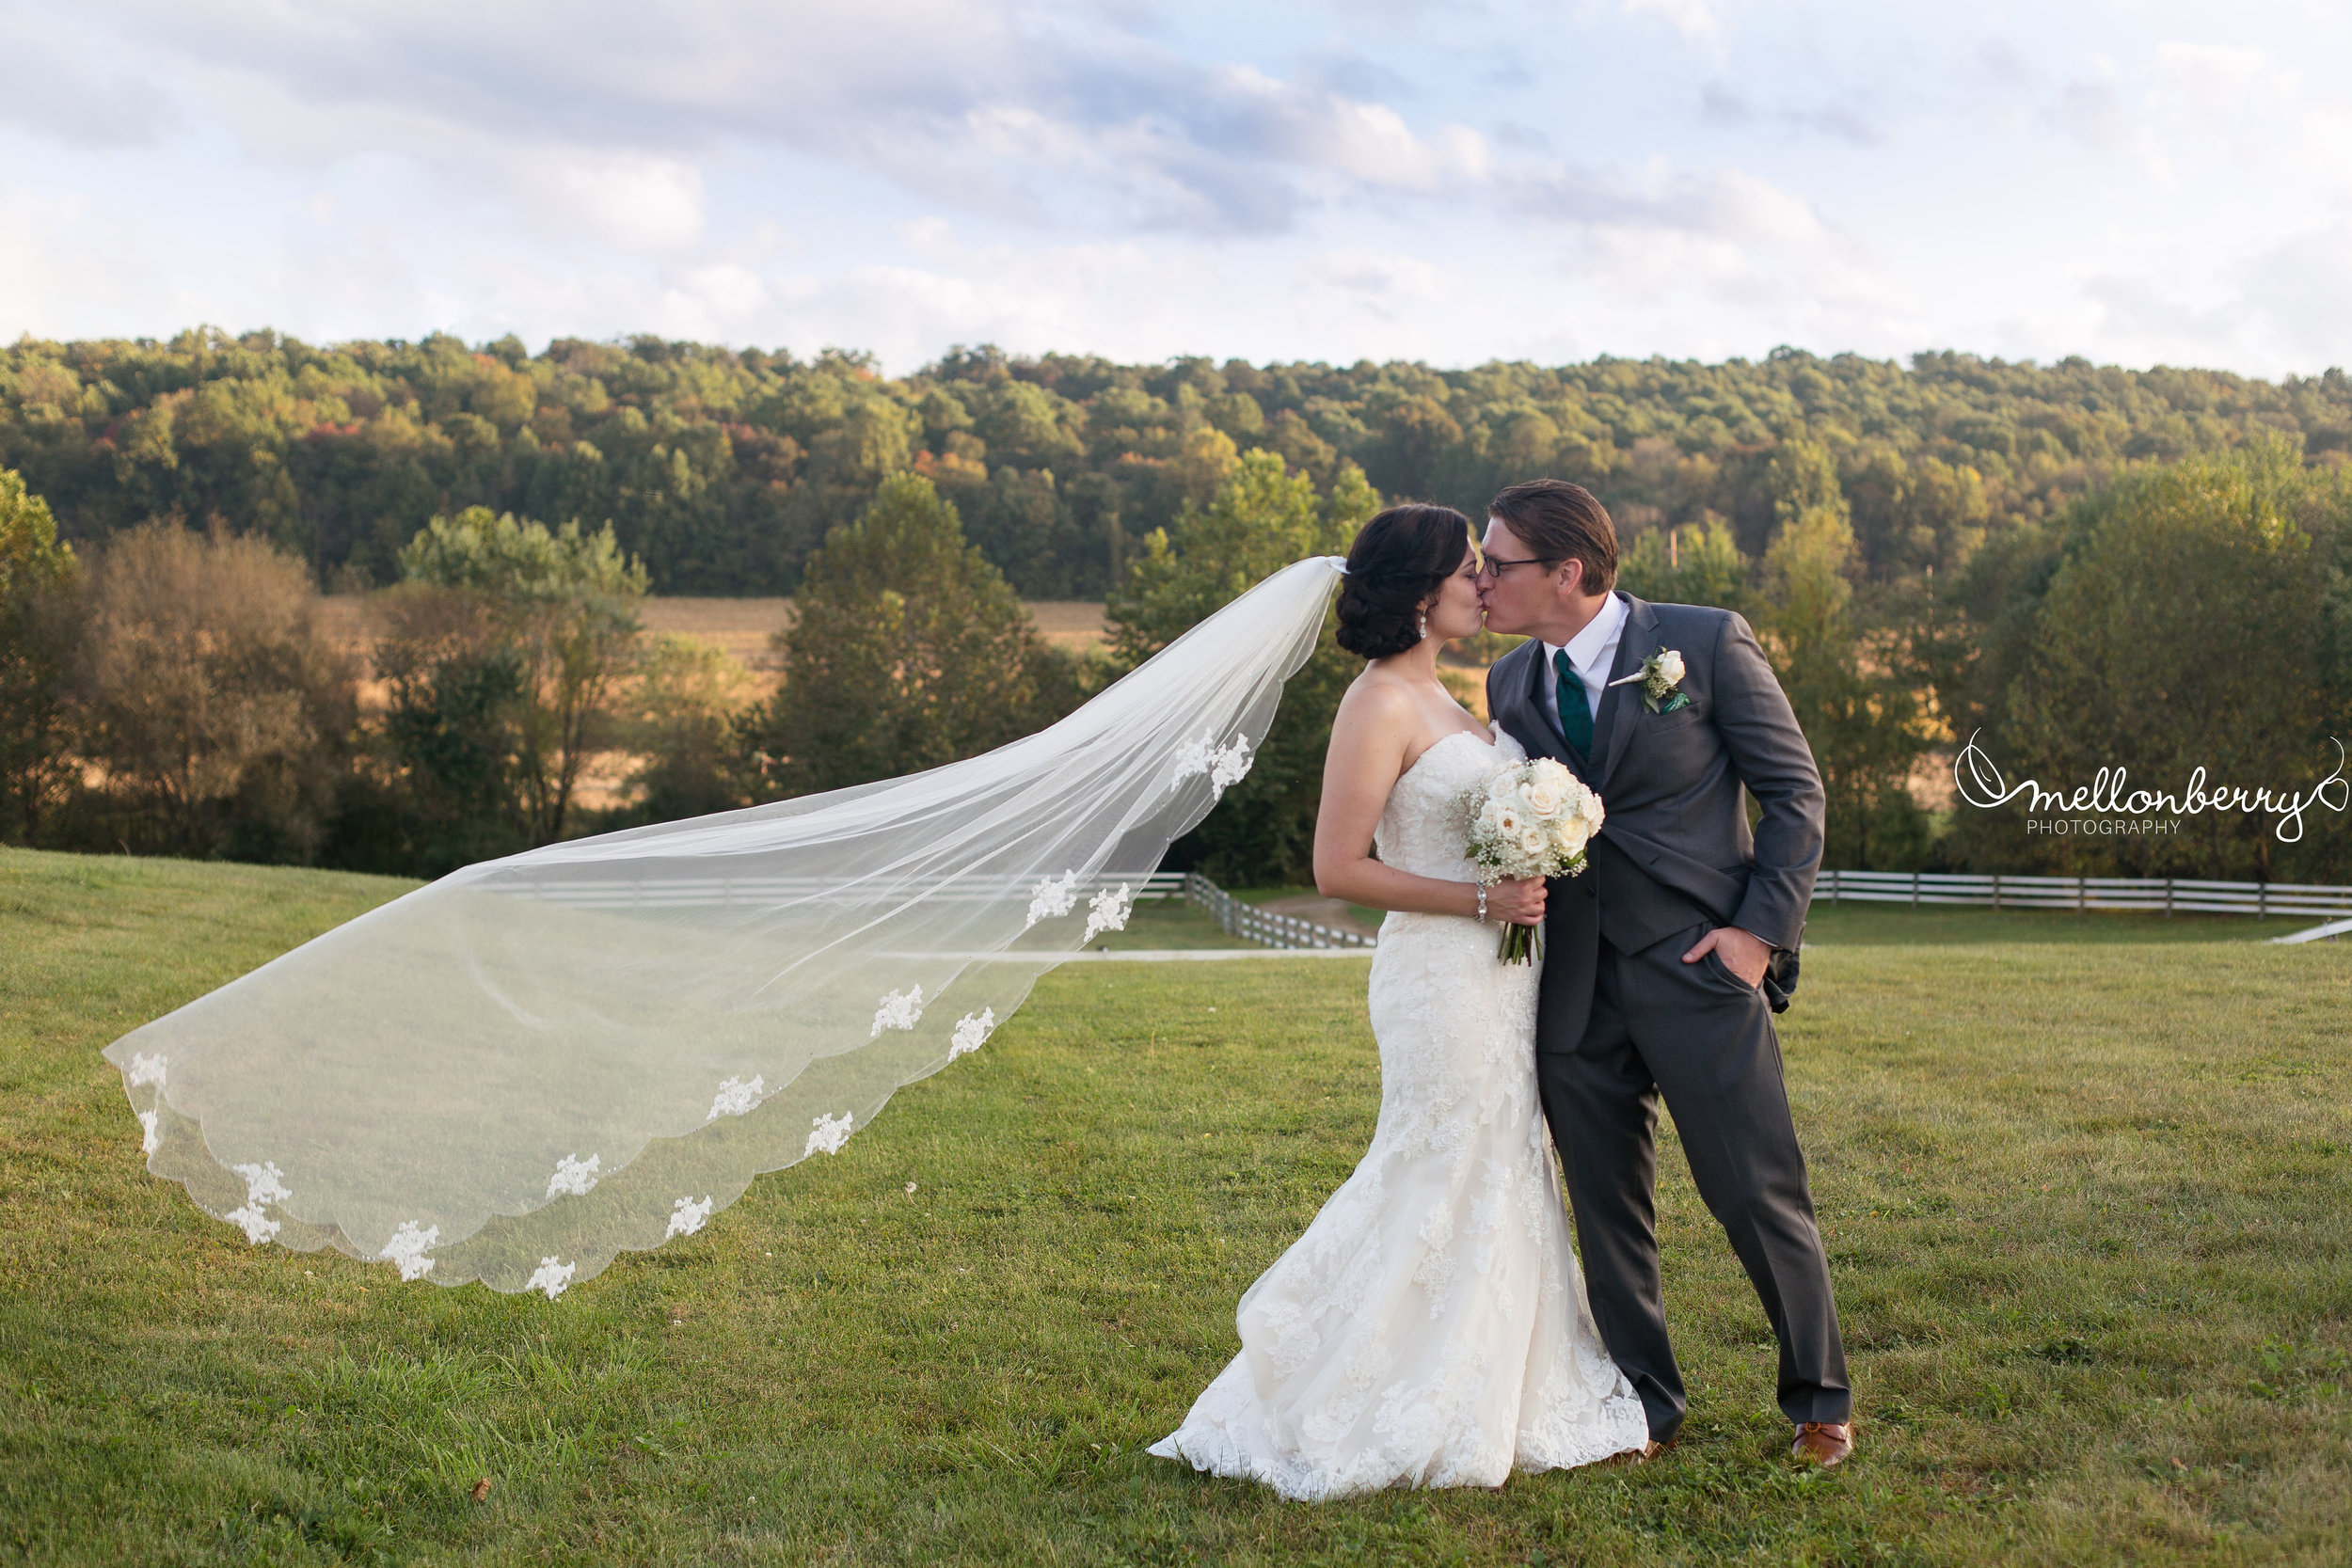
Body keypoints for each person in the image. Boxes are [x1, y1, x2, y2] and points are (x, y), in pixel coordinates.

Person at [1148, 504, 1649, 1497]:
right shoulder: (1377, 702)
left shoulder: (1459, 698)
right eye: (1469, 569)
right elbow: (1339, 865)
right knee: (1437, 1160)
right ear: (1422, 593)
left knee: (1499, 1155)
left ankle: (1498, 1371)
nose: (1483, 583)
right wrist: (1482, 896)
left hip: (1503, 974)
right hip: (1438, 974)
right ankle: (1366, 1384)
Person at [1478, 479, 1853, 1468]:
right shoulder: (1507, 680)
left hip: (1697, 966)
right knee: (1606, 1209)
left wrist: (1755, 935)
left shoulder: (1703, 641)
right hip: (1571, 982)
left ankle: (1819, 1397)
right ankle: (1644, 1401)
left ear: (1566, 571)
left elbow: (1793, 792)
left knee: (1753, 1188)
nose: (1481, 578)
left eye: (1497, 561)